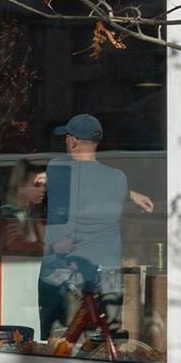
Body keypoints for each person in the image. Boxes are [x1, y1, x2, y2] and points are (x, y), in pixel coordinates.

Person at [40, 114, 153, 339]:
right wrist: (131, 194)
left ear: (73, 141)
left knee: (61, 344)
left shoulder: (58, 169)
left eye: (66, 138)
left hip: (69, 273)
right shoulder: (118, 179)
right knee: (107, 341)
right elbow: (98, 188)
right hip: (109, 277)